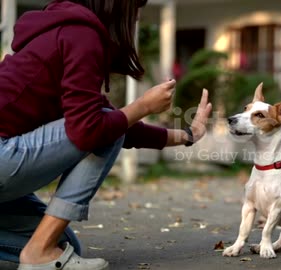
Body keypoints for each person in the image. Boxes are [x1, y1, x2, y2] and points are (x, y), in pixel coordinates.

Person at [0, 0, 212, 269]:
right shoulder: (82, 34)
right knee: (103, 127)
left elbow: (117, 125)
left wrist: (188, 135)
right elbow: (92, 130)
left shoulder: (66, 29)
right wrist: (143, 106)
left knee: (64, 247)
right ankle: (37, 252)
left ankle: (41, 249)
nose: (136, 17)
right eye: (135, 8)